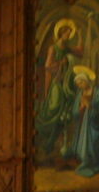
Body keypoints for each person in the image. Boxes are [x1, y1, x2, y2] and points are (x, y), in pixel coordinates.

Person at [35, 18, 84, 163]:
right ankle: (45, 136)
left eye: (70, 33)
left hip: (67, 82)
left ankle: (58, 144)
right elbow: (47, 66)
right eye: (67, 32)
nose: (69, 35)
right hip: (57, 82)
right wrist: (61, 63)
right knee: (54, 107)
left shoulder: (67, 48)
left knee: (65, 113)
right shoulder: (53, 48)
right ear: (61, 33)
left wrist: (80, 35)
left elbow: (80, 53)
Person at [61, 66, 99, 177]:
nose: (79, 86)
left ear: (86, 81)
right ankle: (85, 162)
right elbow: (75, 111)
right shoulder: (80, 93)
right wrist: (80, 108)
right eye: (78, 84)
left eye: (80, 83)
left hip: (94, 126)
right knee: (83, 143)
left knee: (94, 143)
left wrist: (90, 105)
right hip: (83, 124)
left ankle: (95, 164)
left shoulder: (97, 91)